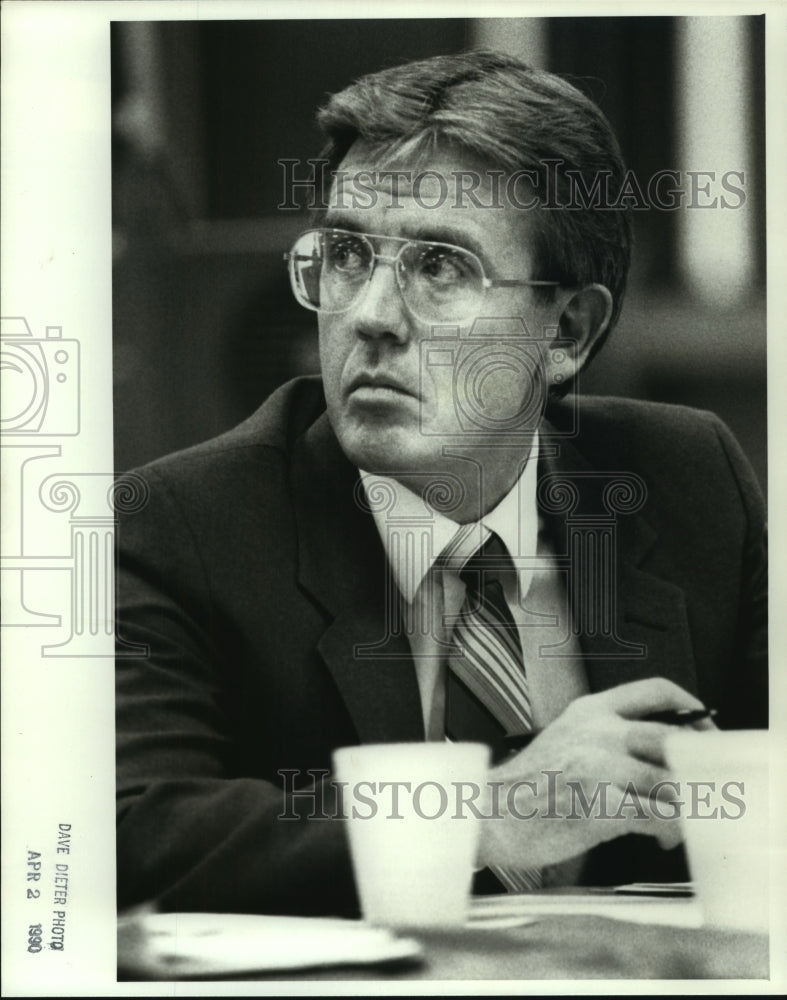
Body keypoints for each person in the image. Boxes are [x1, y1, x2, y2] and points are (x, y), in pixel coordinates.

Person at [115, 51, 767, 916]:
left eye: (440, 268)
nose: (371, 316)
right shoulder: (174, 526)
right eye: (346, 255)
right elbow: (125, 833)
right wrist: (485, 813)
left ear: (567, 330)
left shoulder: (683, 476)